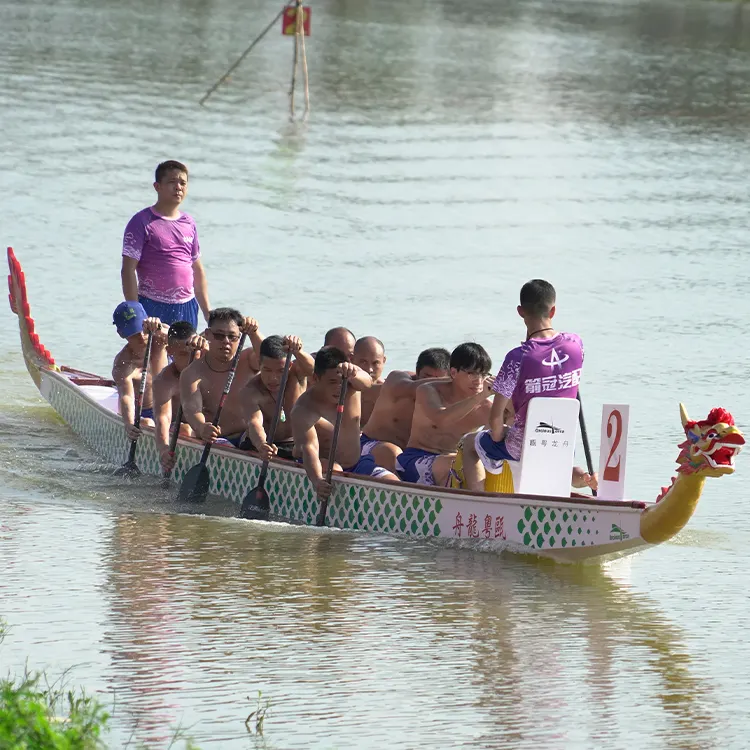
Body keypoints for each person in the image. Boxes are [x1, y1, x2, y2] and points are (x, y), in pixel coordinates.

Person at [460, 279, 598, 492]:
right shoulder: (576, 344)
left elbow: (495, 418)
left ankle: (480, 502)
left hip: (522, 446)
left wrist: (499, 438)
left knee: (470, 442)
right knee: (555, 453)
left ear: (520, 311)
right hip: (562, 438)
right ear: (553, 311)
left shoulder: (517, 358)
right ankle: (586, 478)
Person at [291, 347, 399, 499]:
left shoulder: (353, 384)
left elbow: (367, 382)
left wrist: (354, 372)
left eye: (341, 381)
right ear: (315, 378)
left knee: (393, 483)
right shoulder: (303, 409)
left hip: (358, 463)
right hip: (323, 466)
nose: (339, 387)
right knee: (335, 469)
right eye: (332, 382)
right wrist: (317, 481)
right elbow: (310, 449)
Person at [121, 160, 211, 329]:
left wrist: (207, 312)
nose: (178, 187)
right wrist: (136, 313)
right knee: (153, 355)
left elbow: (197, 270)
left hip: (187, 306)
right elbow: (128, 270)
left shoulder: (189, 223)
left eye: (183, 183)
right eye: (172, 182)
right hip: (152, 305)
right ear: (157, 186)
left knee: (186, 355)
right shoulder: (142, 221)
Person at [396, 343, 494, 486]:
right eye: (471, 373)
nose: (478, 381)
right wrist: (480, 397)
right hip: (414, 460)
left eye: (483, 374)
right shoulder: (429, 390)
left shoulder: (486, 408)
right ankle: (479, 504)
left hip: (454, 461)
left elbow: (511, 423)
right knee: (458, 463)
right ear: (453, 373)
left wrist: (506, 394)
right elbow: (442, 419)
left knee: (492, 466)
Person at [180, 308, 264, 448]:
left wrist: (254, 333)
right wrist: (202, 427)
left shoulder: (249, 359)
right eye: (219, 335)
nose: (226, 341)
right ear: (207, 334)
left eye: (232, 337)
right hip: (217, 439)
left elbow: (270, 358)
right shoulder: (192, 373)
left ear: (240, 337)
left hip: (250, 436)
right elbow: (192, 410)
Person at [360, 347, 451, 472]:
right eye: (426, 377)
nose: (433, 386)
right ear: (417, 373)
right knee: (391, 452)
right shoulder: (397, 379)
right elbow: (411, 387)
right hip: (370, 446)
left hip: (410, 456)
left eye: (440, 379)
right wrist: (452, 382)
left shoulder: (447, 396)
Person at [241, 334, 315, 461]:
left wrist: (298, 351)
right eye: (267, 370)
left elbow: (313, 369)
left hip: (294, 444)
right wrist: (262, 445)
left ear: (289, 366)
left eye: (280, 371)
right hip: (262, 445)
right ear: (259, 365)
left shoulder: (297, 374)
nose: (273, 378)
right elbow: (254, 423)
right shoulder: (251, 391)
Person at [152, 321, 209, 474]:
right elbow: (162, 418)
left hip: (209, 429)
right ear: (170, 351)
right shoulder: (164, 380)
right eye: (183, 354)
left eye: (194, 352)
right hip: (183, 429)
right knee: (185, 428)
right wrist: (164, 449)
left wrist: (208, 346)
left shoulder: (209, 366)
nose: (191, 358)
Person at [112, 302, 168, 440]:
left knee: (186, 427)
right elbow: (127, 396)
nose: (141, 336)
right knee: (148, 423)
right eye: (134, 333)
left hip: (166, 405)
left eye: (142, 329)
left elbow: (184, 339)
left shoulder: (161, 337)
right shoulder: (123, 364)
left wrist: (160, 329)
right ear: (121, 334)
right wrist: (129, 423)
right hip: (141, 412)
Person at [352, 336, 387, 425]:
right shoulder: (340, 387)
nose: (369, 369)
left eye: (375, 363)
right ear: (352, 359)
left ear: (384, 361)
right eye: (363, 362)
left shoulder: (387, 391)